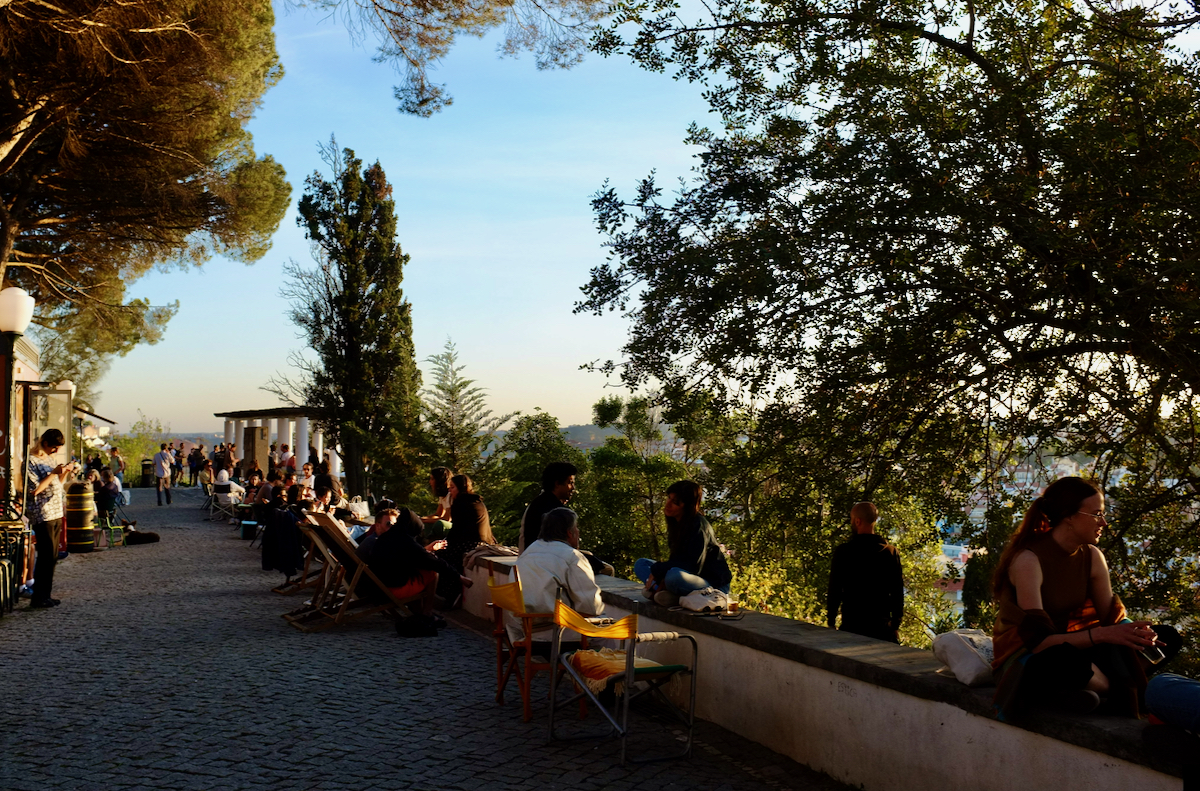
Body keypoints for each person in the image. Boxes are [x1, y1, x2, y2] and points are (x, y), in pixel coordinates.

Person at [991, 477, 1174, 719]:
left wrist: (1134, 632)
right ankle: (1122, 692)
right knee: (1063, 661)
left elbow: (1112, 618)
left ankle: (1086, 692)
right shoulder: (1029, 560)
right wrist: (1102, 635)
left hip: (1083, 649)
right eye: (1096, 514)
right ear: (1069, 516)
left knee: (1167, 637)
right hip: (1038, 658)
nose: (1104, 523)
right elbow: (1037, 643)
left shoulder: (1092, 556)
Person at [512, 507, 604, 648]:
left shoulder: (527, 554)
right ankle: (612, 670)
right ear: (569, 533)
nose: (578, 533)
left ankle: (569, 668)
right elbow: (590, 606)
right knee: (609, 631)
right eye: (576, 528)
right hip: (557, 631)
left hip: (524, 629)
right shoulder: (572, 557)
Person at [359, 508, 471, 623]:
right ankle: (427, 613)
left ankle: (418, 612)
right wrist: (460, 577)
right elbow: (434, 562)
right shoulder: (405, 541)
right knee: (432, 573)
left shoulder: (385, 537)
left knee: (415, 575)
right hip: (390, 590)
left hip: (377, 587)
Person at [633, 480, 732, 607]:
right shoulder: (677, 524)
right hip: (687, 576)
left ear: (687, 506)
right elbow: (676, 560)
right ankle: (670, 595)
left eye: (675, 502)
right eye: (669, 498)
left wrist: (661, 570)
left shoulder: (699, 527)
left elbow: (692, 566)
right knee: (641, 564)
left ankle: (666, 594)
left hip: (712, 584)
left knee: (674, 577)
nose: (668, 504)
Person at [826, 502, 904, 643]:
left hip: (852, 626)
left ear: (857, 521)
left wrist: (831, 621)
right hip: (881, 628)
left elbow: (835, 590)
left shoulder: (844, 552)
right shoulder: (890, 552)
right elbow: (897, 592)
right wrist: (895, 624)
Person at [26, 428, 75, 608]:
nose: (56, 451)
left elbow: (57, 483)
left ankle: (45, 594)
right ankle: (38, 597)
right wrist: (54, 473)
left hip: (55, 512)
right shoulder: (31, 461)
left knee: (53, 556)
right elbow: (35, 490)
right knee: (46, 556)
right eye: (54, 447)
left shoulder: (48, 458)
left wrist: (64, 472)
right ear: (45, 443)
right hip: (42, 513)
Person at [437, 474, 495, 605]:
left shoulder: (460, 503)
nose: (450, 491)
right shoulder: (476, 500)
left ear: (460, 488)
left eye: (452, 487)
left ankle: (450, 594)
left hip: (471, 542)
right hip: (483, 541)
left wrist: (444, 542)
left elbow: (456, 529)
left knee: (442, 557)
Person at [518, 462, 577, 553]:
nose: (573, 488)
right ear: (557, 484)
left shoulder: (537, 503)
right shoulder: (556, 512)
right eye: (570, 483)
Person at [420, 466, 454, 538]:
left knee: (438, 524)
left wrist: (423, 520)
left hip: (455, 527)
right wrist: (421, 519)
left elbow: (446, 519)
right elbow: (438, 514)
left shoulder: (450, 496)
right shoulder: (442, 496)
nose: (430, 482)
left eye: (432, 479)